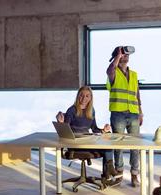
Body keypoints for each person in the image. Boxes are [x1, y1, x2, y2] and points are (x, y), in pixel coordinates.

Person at [56, 86, 122, 186]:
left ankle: (107, 174)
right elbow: (65, 131)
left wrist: (104, 130)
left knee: (108, 144)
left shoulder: (91, 110)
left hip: (87, 141)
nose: (84, 98)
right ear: (78, 96)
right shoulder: (72, 110)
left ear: (90, 98)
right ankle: (110, 171)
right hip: (75, 144)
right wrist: (60, 122)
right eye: (81, 95)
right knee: (106, 148)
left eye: (87, 96)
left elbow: (94, 128)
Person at [106, 46, 143, 187]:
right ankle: (119, 174)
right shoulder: (113, 72)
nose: (125, 56)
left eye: (127, 54)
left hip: (133, 113)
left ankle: (134, 175)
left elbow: (137, 94)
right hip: (118, 114)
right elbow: (109, 70)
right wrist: (117, 56)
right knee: (118, 146)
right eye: (123, 54)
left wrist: (140, 111)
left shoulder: (133, 74)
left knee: (135, 146)